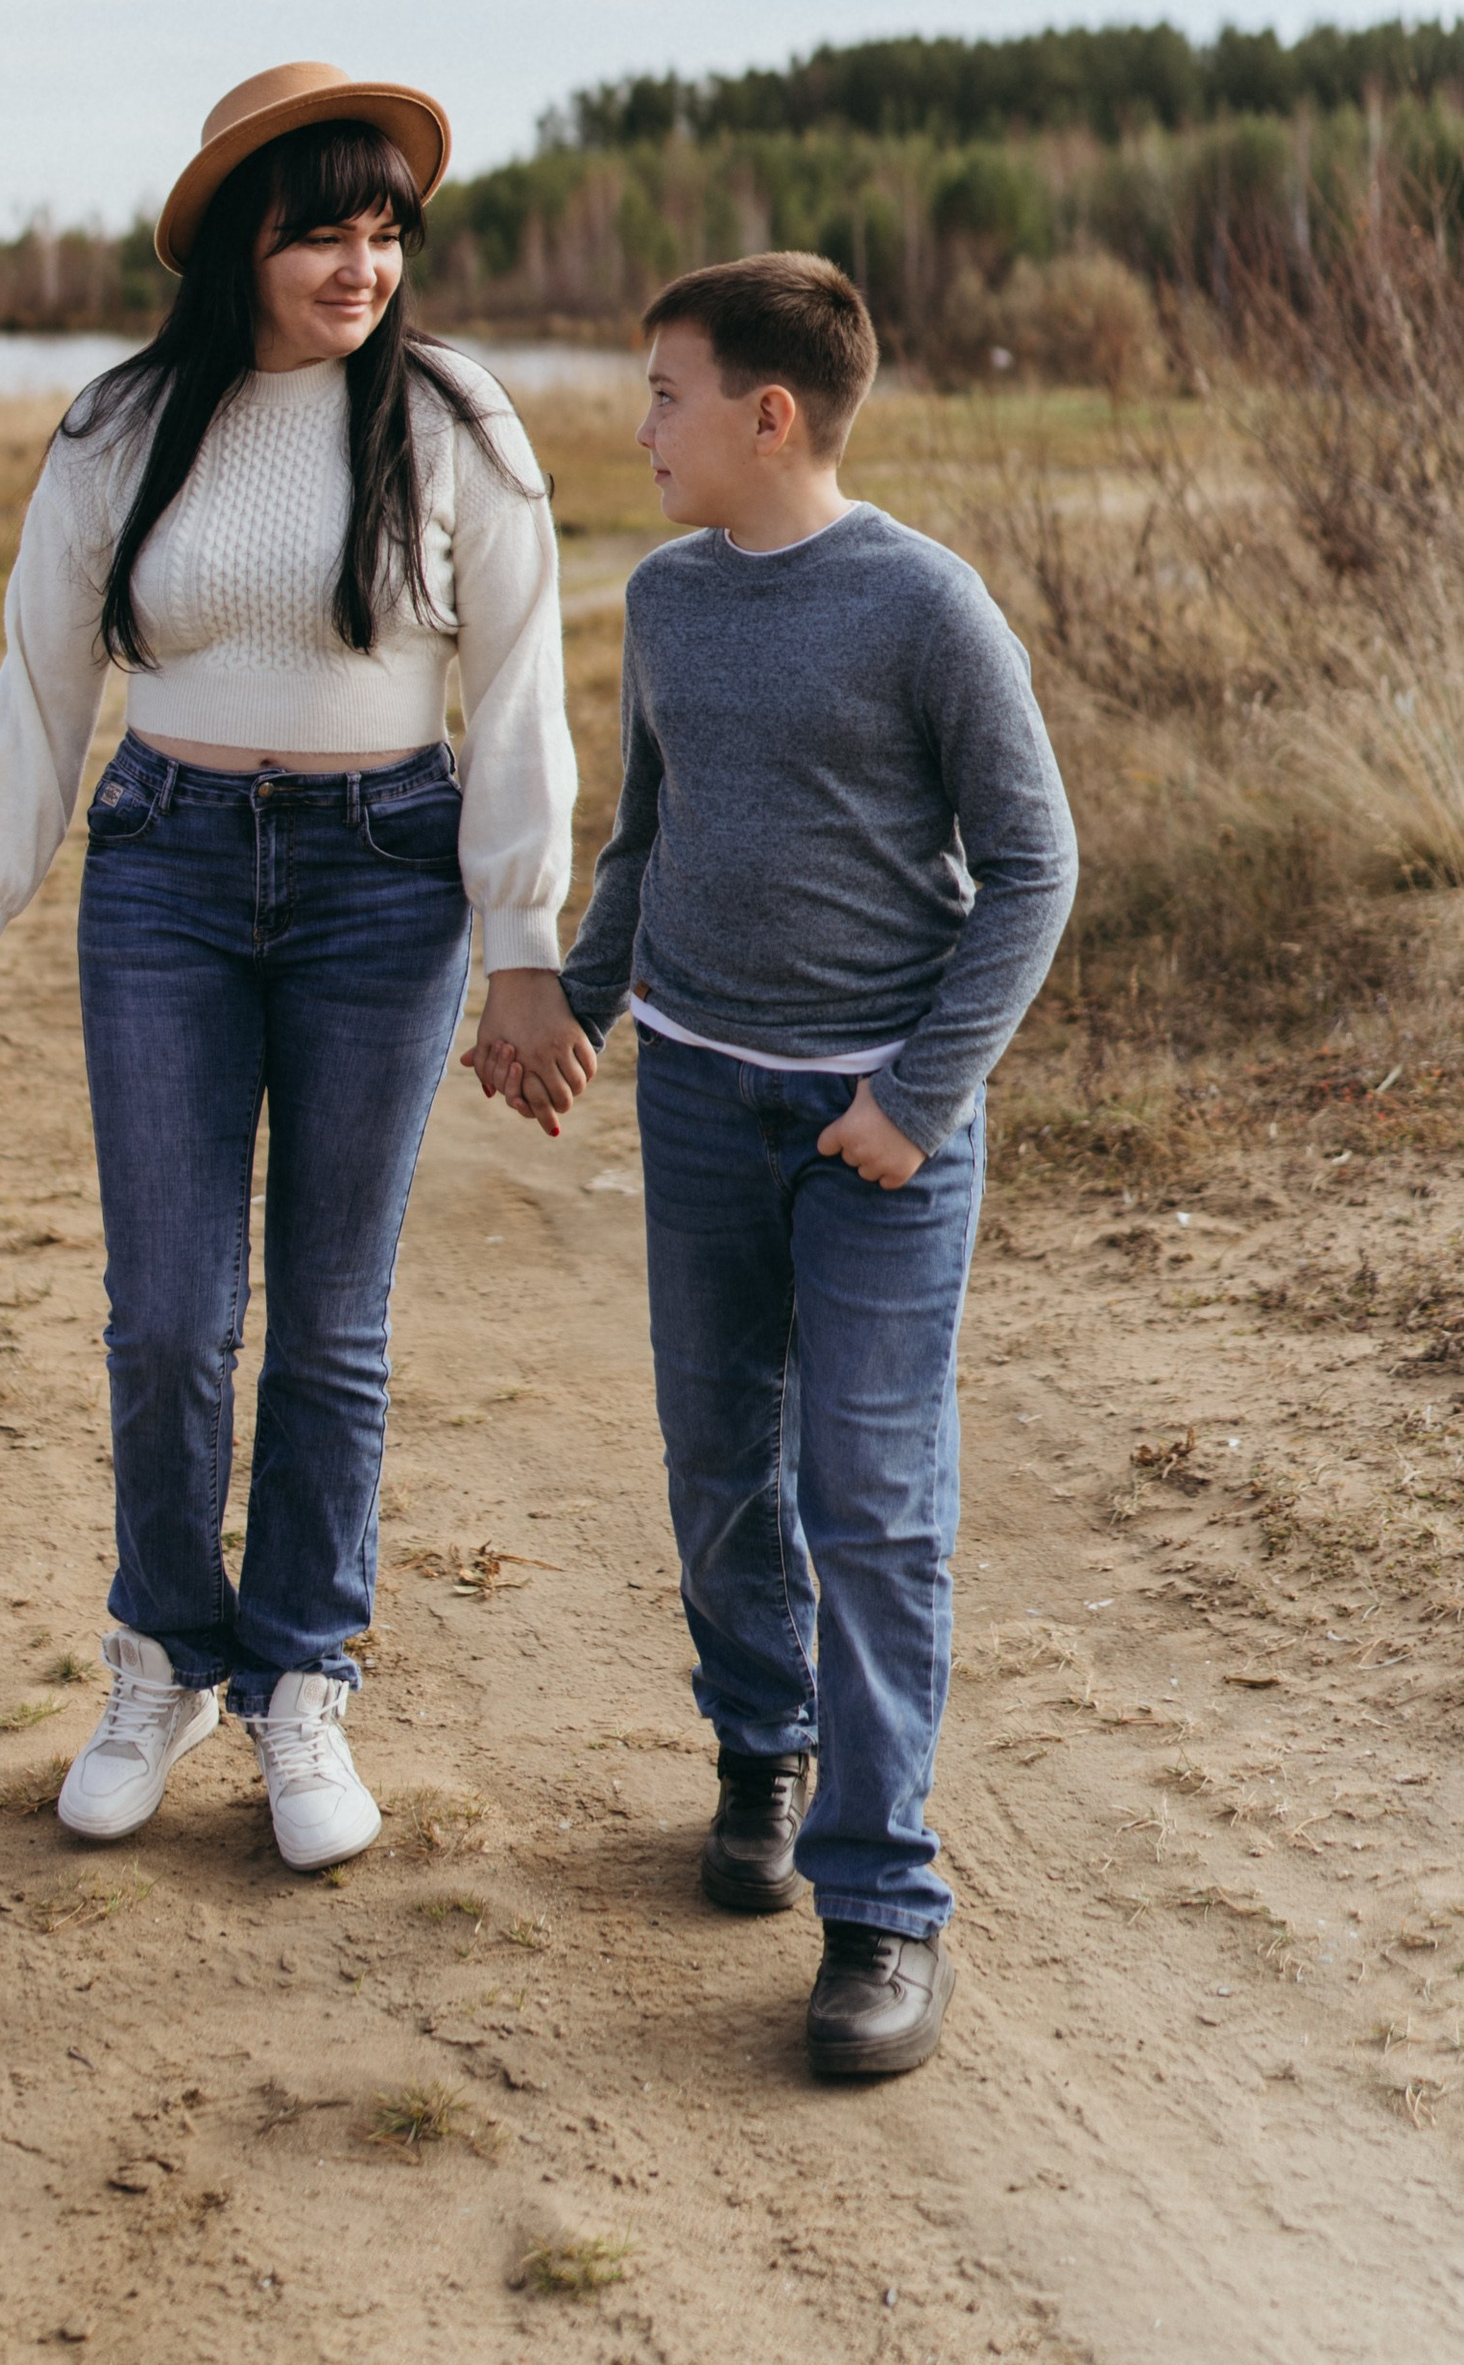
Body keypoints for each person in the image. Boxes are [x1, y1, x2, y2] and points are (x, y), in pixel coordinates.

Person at [0, 61, 584, 1874]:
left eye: (384, 231)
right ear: (238, 243)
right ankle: (163, 1656)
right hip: (169, 874)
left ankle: (300, 1683)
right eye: (319, 231)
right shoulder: (122, 427)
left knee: (333, 1322)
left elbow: (517, 697)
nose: (360, 265)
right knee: (171, 1315)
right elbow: (39, 696)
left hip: (382, 888)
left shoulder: (451, 420)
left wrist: (527, 946)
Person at [472, 252, 1076, 2078]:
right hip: (700, 1105)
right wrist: (568, 1000)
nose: (637, 424)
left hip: (875, 1139)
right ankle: (762, 1749)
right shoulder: (664, 600)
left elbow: (1033, 868)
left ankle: (885, 1909)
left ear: (769, 413)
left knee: (872, 1506)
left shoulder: (924, 608)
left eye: (663, 393)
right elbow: (652, 838)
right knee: (719, 1463)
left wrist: (919, 1096)